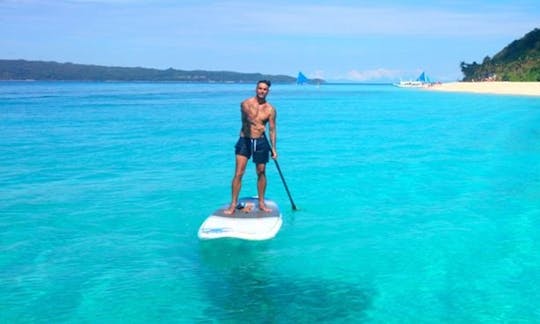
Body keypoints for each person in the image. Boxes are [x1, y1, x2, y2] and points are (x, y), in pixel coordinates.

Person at [224, 80, 277, 215]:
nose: (262, 91)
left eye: (265, 89)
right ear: (256, 89)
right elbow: (248, 115)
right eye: (260, 88)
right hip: (245, 140)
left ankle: (261, 202)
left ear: (268, 91)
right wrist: (257, 123)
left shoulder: (270, 109)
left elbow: (271, 129)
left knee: (261, 172)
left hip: (260, 142)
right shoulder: (245, 103)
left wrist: (274, 149)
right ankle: (233, 203)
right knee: (239, 173)